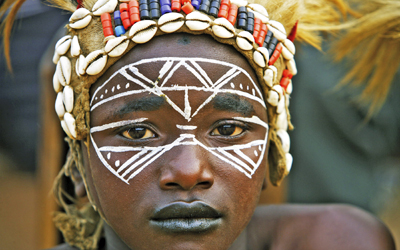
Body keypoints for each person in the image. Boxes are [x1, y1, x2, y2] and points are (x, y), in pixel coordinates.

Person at [1, 0, 398, 249]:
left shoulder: (338, 241)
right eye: (137, 132)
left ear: (273, 157)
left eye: (227, 130)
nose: (189, 171)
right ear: (78, 168)